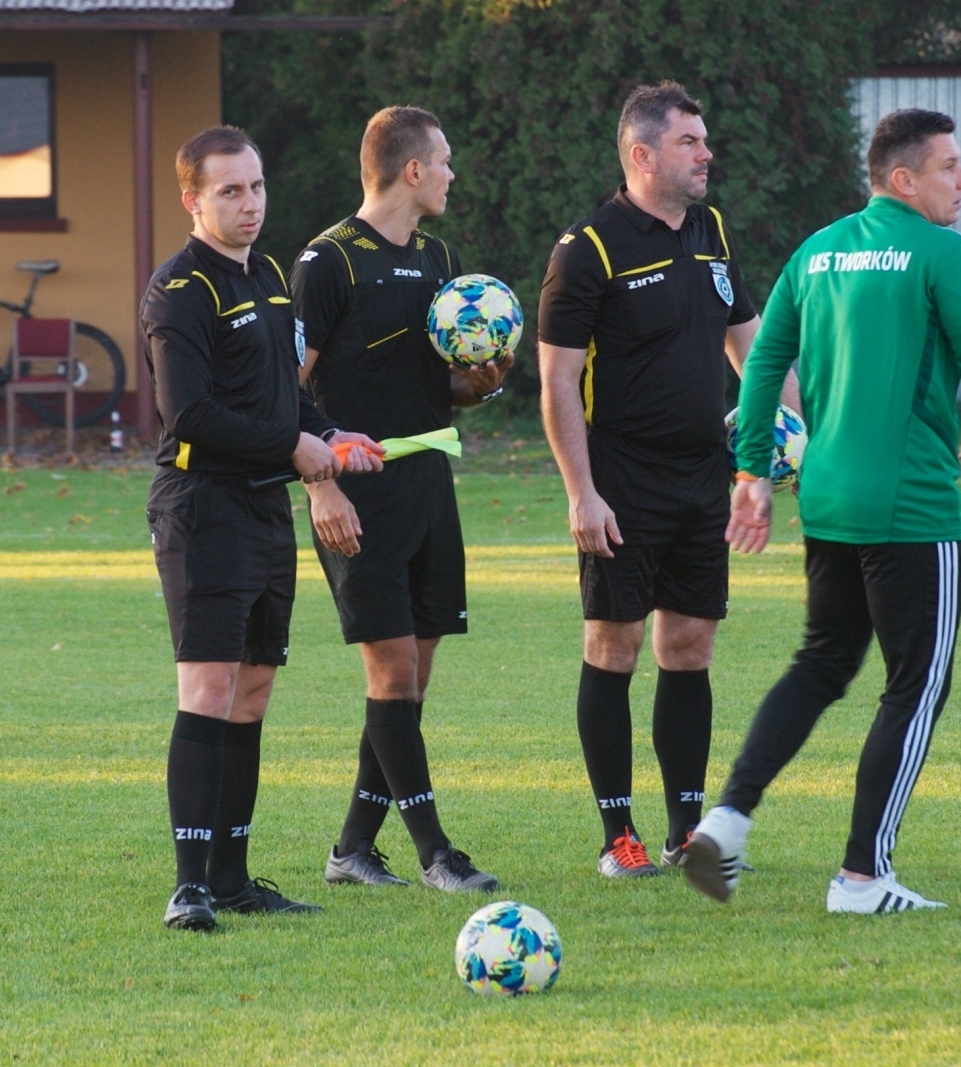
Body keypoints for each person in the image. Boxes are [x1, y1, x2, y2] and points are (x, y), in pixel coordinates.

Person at [683, 108, 961, 914]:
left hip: (827, 500)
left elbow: (761, 363)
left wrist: (751, 471)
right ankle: (863, 876)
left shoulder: (818, 249)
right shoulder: (940, 249)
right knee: (915, 685)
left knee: (822, 662)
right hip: (911, 506)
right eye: (949, 167)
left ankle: (725, 821)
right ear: (904, 180)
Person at [538, 81, 790, 879]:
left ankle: (688, 827)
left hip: (700, 481)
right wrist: (581, 491)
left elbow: (751, 351)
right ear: (643, 155)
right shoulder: (589, 248)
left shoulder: (711, 230)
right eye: (690, 142)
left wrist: (780, 445)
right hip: (620, 482)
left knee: (689, 644)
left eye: (704, 140)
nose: (706, 153)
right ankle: (619, 835)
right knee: (614, 646)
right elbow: (555, 383)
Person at [143, 126, 383, 933]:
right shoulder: (179, 290)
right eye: (229, 192)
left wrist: (332, 433)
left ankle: (235, 876)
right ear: (193, 200)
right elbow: (190, 413)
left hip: (263, 509)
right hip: (202, 507)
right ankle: (189, 885)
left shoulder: (273, 278)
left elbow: (288, 399)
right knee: (207, 690)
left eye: (256, 187)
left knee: (251, 694)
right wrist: (295, 446)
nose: (249, 205)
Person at [291, 105, 508, 893]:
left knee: (410, 677)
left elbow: (438, 383)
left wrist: (478, 385)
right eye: (444, 161)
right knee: (389, 674)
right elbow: (289, 388)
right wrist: (321, 486)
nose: (452, 173)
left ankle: (351, 850)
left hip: (428, 480)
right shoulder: (328, 263)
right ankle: (436, 854)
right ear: (412, 170)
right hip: (359, 492)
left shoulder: (438, 256)